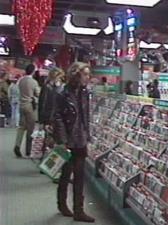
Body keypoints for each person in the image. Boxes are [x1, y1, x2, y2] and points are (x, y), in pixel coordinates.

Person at [53, 62, 95, 223]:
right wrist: (63, 140)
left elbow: (85, 115)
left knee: (79, 176)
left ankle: (79, 210)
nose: (88, 77)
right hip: (68, 141)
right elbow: (57, 117)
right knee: (65, 174)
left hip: (81, 139)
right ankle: (62, 204)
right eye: (85, 74)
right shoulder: (63, 93)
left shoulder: (84, 93)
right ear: (76, 75)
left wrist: (87, 134)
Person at [13, 64, 40, 158]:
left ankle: (17, 145)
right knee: (30, 128)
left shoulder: (21, 81)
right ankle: (28, 150)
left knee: (21, 127)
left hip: (21, 105)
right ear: (33, 71)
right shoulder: (33, 82)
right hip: (30, 107)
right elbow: (37, 93)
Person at [38, 68, 65, 158]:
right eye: (59, 77)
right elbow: (42, 104)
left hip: (56, 117)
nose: (60, 79)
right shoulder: (47, 87)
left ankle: (49, 162)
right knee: (48, 140)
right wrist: (41, 121)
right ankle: (45, 161)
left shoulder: (60, 87)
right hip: (48, 118)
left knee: (53, 140)